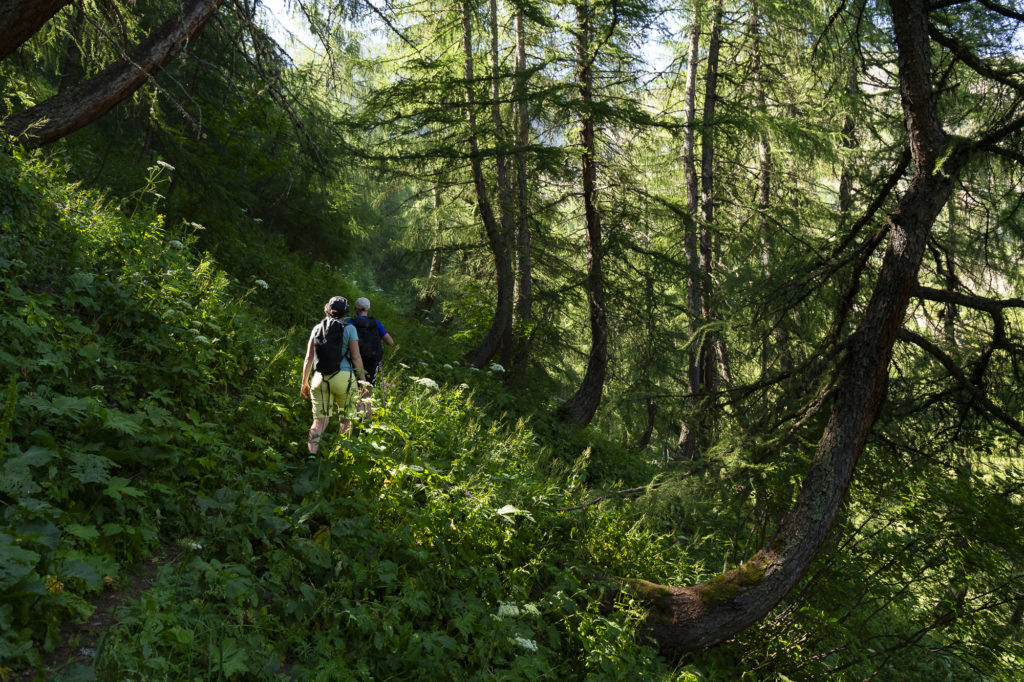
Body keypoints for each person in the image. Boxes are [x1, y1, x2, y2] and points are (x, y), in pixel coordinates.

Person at [300, 296, 368, 455]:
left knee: (319, 422)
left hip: (319, 378)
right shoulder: (349, 329)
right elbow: (356, 358)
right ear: (345, 312)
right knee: (346, 420)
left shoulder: (317, 328)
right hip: (344, 379)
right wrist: (363, 383)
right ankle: (339, 456)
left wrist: (304, 382)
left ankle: (311, 458)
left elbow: (308, 358)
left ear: (327, 309)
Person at [348, 297, 394, 419]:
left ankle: (353, 420)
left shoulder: (351, 323)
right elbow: (390, 342)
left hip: (354, 361)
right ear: (369, 309)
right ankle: (366, 422)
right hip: (372, 362)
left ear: (355, 309)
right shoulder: (376, 324)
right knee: (367, 392)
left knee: (355, 390)